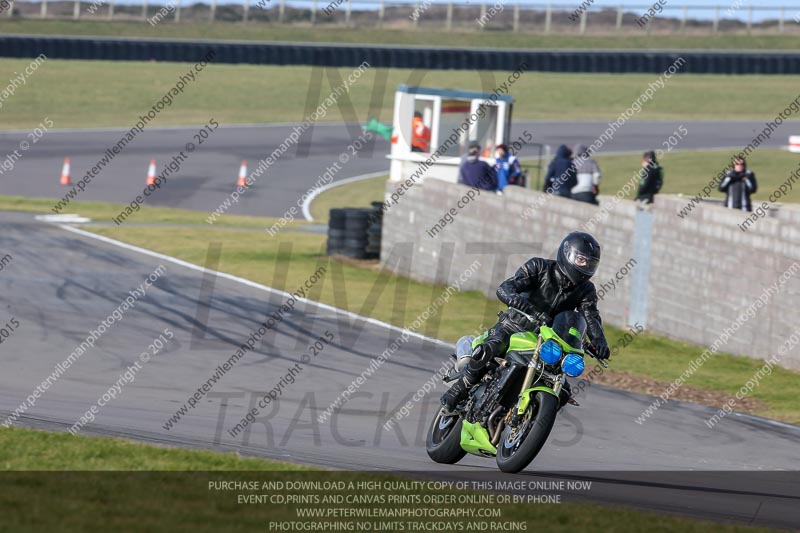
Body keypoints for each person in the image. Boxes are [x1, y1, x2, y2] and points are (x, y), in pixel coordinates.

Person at [441, 232, 611, 411]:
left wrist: (599, 341)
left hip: (547, 340)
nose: (585, 266)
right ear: (567, 253)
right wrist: (515, 299)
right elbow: (506, 287)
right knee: (489, 350)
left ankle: (526, 416)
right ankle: (458, 390)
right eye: (581, 260)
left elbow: (591, 317)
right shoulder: (539, 266)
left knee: (562, 390)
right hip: (514, 326)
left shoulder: (586, 290)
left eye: (590, 263)